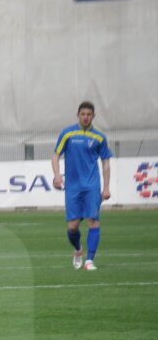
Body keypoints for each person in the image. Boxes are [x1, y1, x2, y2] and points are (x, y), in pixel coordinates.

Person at [52, 101, 112, 272]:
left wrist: (106, 188)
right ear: (78, 115)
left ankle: (89, 261)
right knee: (72, 226)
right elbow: (55, 155)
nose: (85, 117)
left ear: (93, 116)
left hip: (92, 186)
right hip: (72, 187)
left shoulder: (100, 136)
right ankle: (78, 250)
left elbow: (106, 163)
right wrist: (57, 176)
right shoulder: (68, 133)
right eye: (83, 114)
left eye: (89, 114)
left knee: (93, 221)